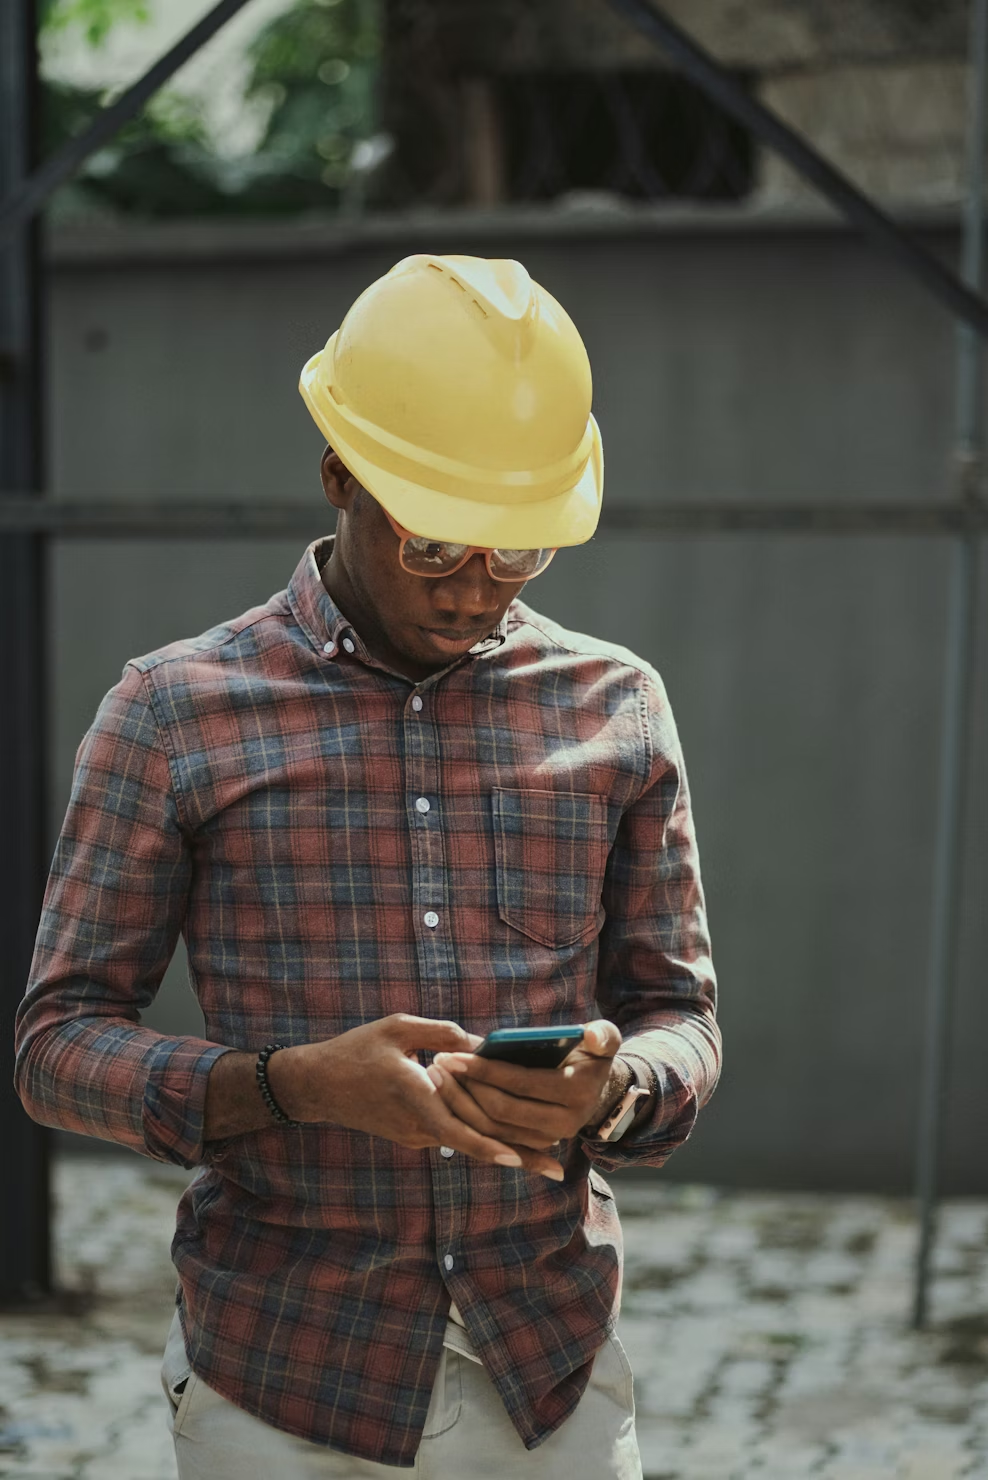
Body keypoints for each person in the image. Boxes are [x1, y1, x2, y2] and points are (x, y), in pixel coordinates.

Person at [14, 254, 720, 1479]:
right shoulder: (173, 714)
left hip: (548, 1365)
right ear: (340, 472)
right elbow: (55, 1046)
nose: (473, 590)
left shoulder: (617, 707)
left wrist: (612, 1092)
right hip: (280, 1377)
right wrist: (290, 1086)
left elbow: (679, 1017)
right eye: (436, 542)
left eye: (518, 554)